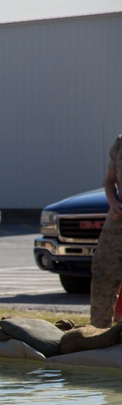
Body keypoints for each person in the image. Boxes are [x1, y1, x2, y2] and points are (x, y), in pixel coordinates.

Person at [90, 133, 122, 328]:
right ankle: (98, 334)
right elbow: (109, 181)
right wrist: (113, 203)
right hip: (118, 220)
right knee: (103, 273)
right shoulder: (120, 143)